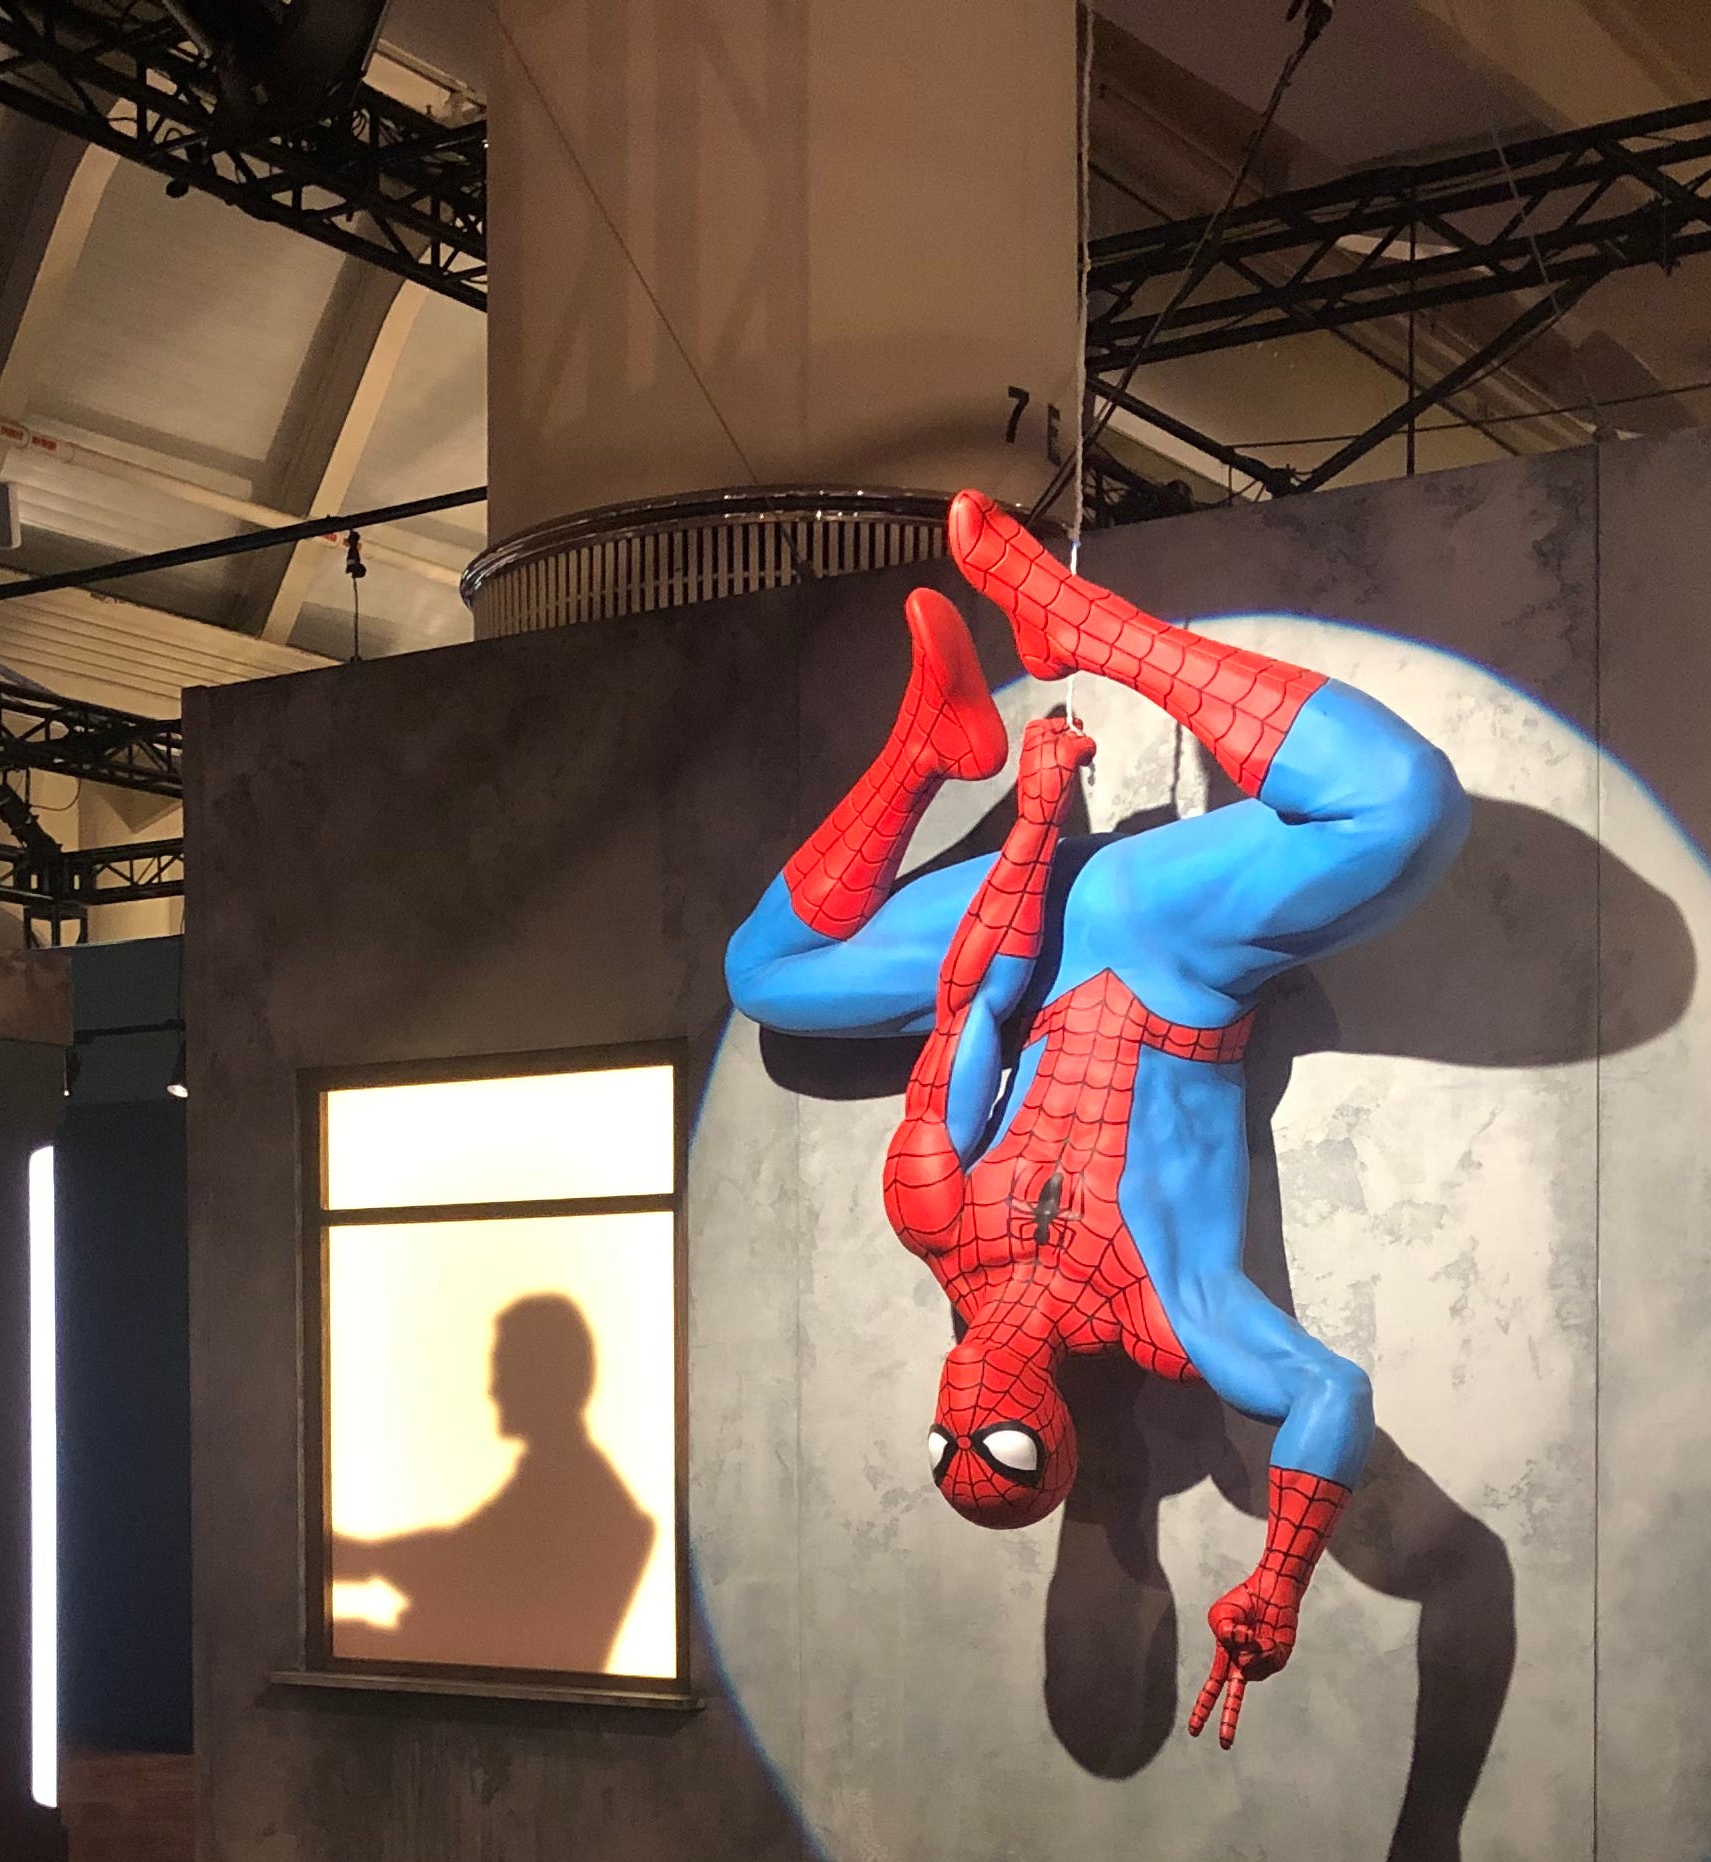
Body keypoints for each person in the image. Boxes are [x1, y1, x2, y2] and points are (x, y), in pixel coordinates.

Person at [723, 490, 1468, 1749]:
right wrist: (1278, 1582)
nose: (969, 1415)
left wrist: (1025, 820)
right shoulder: (1165, 1319)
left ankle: (930, 744)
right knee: (1404, 806)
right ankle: (1090, 625)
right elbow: (1327, 1393)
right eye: (1000, 1453)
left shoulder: (937, 1222)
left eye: (941, 1440)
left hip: (1041, 921)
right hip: (1173, 952)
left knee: (767, 976)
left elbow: (971, 1004)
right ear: (1053, 1442)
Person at [330, 1293, 656, 1676]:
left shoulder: (575, 1491)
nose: (493, 1389)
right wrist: (360, 1560)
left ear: (544, 1378)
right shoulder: (557, 1478)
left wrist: (363, 1560)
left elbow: (462, 1565)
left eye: (504, 1369)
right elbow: (461, 1550)